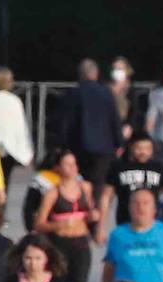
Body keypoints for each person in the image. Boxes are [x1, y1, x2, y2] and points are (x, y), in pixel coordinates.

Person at [34, 149, 98, 282]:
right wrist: (58, 224)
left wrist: (94, 218)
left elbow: (91, 212)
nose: (72, 168)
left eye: (74, 164)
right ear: (58, 168)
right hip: (60, 244)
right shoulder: (52, 193)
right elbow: (39, 224)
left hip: (81, 244)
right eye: (67, 164)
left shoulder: (85, 187)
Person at [59, 60, 122, 201]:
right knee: (99, 183)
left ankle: (83, 210)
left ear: (80, 74)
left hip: (79, 145)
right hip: (104, 146)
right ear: (96, 74)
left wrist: (63, 145)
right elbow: (114, 119)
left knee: (81, 180)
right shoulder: (106, 92)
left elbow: (66, 122)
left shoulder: (73, 93)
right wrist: (119, 142)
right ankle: (96, 214)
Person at [99, 130, 163, 241]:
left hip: (153, 226)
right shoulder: (119, 167)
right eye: (139, 148)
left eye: (147, 148)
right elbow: (106, 197)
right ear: (131, 147)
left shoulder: (158, 167)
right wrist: (101, 226)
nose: (143, 152)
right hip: (125, 224)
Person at [108, 56, 137, 141]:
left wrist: (130, 126)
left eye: (120, 68)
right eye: (115, 68)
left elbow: (134, 111)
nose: (117, 71)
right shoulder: (105, 89)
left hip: (125, 128)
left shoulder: (131, 90)